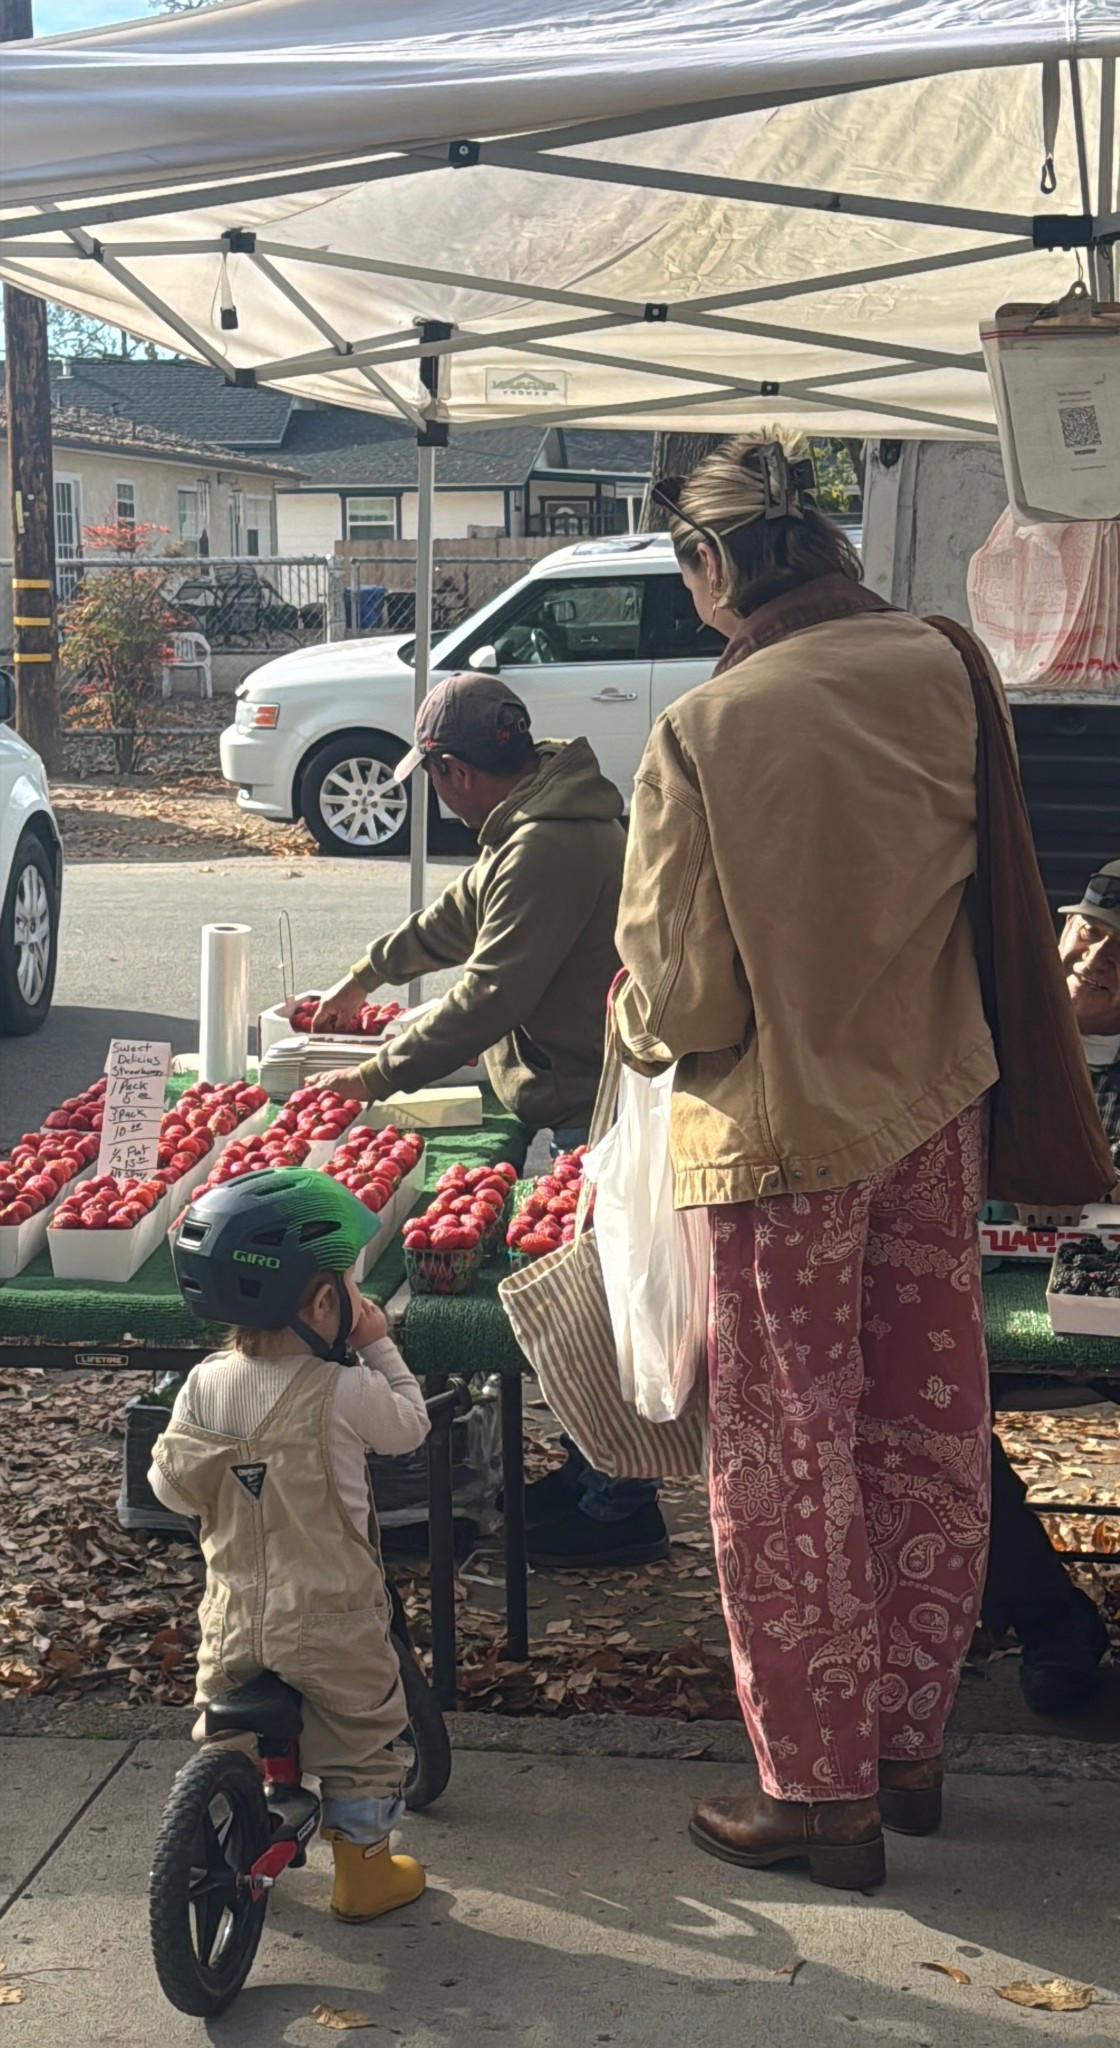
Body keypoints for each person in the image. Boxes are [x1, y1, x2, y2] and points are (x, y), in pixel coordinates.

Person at [612, 431, 1018, 1891]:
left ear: (712, 561)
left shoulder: (707, 729)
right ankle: (910, 1751)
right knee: (921, 1426)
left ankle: (818, 1793)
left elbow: (687, 999)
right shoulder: (943, 664)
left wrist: (634, 1011)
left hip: (781, 1136)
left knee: (787, 1455)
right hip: (932, 1103)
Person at [310, 671, 669, 1570]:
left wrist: (376, 1075)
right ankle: (602, 1479)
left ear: (453, 772)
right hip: (580, 1089)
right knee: (599, 1296)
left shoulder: (548, 843)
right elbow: (459, 916)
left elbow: (488, 991)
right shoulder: (537, 818)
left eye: (429, 780)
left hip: (600, 1099)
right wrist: (366, 976)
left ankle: (617, 1504)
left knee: (607, 1304)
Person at [148, 1169, 430, 1925]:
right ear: (320, 1303)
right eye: (347, 1289)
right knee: (361, 1736)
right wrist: (379, 1346)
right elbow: (410, 1428)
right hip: (332, 1616)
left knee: (227, 1730)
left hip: (235, 1613)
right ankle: (363, 1876)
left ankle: (227, 1823)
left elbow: (172, 1490)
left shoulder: (203, 1385)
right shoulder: (343, 1388)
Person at [984, 858, 1120, 1712]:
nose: (1095, 956)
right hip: (991, 1299)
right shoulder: (984, 1029)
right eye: (1087, 929)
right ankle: (1050, 1620)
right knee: (922, 1412)